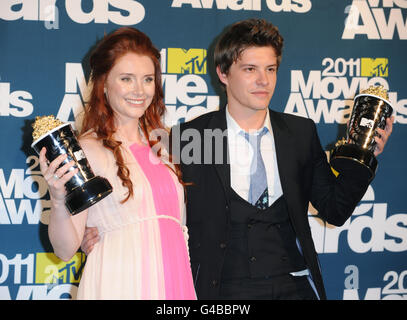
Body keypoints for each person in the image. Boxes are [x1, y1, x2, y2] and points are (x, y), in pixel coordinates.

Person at [82, 19, 393, 300]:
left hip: (292, 285)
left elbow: (334, 210)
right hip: (222, 290)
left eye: (270, 69)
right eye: (250, 69)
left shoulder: (299, 133)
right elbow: (154, 204)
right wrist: (93, 228)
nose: (263, 81)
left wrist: (364, 156)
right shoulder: (189, 138)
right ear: (223, 73)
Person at [39, 27, 196, 300]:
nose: (139, 90)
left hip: (175, 283)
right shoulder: (86, 149)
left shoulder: (166, 146)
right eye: (126, 79)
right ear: (103, 84)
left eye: (147, 79)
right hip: (120, 283)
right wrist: (59, 198)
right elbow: (65, 250)